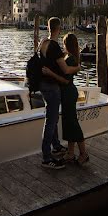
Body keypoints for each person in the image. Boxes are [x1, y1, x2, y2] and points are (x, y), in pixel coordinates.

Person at [37, 17, 80, 169]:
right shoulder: (55, 47)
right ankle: (46, 157)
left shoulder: (43, 43)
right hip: (52, 86)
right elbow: (66, 70)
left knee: (53, 119)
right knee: (51, 120)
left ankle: (55, 146)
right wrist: (77, 68)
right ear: (59, 29)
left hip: (42, 84)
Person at [44, 33, 88, 165]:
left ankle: (83, 153)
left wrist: (50, 73)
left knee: (72, 122)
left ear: (66, 44)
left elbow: (66, 76)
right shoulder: (68, 56)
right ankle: (70, 152)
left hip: (69, 92)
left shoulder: (71, 59)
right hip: (66, 93)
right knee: (68, 123)